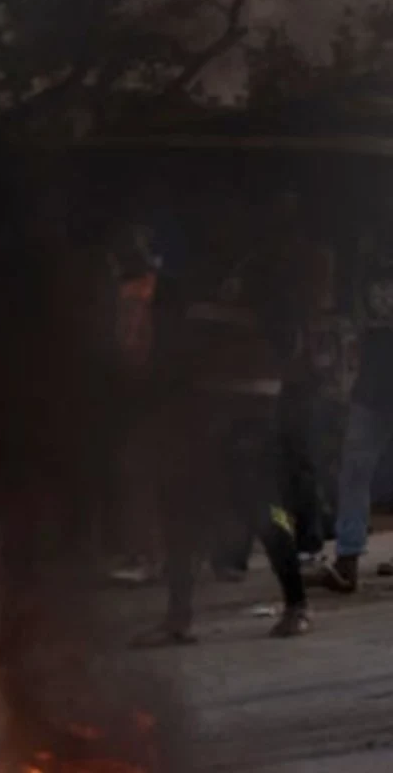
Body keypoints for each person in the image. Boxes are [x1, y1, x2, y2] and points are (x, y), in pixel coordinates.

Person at [133, 254, 311, 646]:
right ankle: (177, 618)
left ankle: (296, 604)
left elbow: (289, 344)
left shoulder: (268, 276)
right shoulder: (193, 275)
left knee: (265, 510)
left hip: (252, 417)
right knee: (182, 514)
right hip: (200, 415)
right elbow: (175, 348)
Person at [328, 220, 393, 591]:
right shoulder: (364, 271)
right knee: (354, 470)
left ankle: (348, 556)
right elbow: (354, 328)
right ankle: (348, 556)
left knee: (355, 470)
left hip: (372, 384)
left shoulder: (366, 270)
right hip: (371, 385)